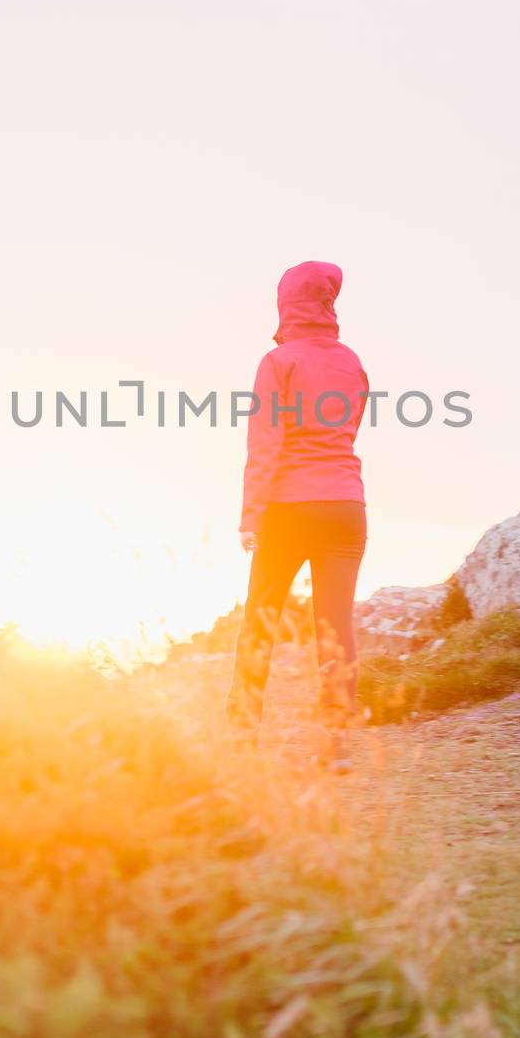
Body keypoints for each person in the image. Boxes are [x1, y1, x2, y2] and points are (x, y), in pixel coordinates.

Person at [226, 261, 369, 750]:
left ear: (286, 306)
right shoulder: (352, 362)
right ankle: (338, 740)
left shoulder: (278, 363)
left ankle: (243, 732)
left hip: (288, 507)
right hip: (346, 506)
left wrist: (251, 517)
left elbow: (265, 443)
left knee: (261, 618)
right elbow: (347, 430)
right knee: (335, 625)